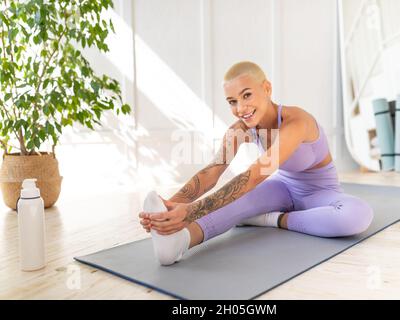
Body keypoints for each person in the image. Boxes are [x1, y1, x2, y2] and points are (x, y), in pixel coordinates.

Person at [139, 61, 374, 265]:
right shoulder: (239, 130)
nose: (240, 108)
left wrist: (191, 211)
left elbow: (255, 175)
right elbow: (213, 171)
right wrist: (171, 206)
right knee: (233, 201)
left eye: (246, 95)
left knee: (357, 215)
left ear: (267, 88)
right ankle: (179, 241)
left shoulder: (296, 122)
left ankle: (269, 219)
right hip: (281, 189)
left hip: (320, 192)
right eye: (232, 101)